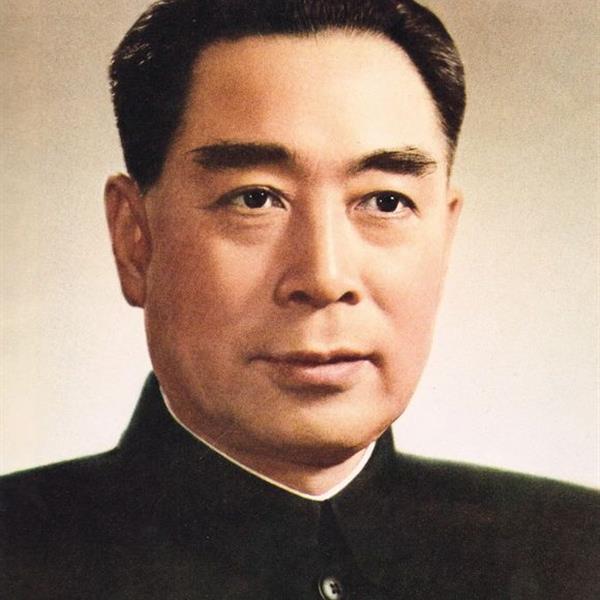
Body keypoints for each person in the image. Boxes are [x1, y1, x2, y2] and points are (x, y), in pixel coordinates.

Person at [1, 1, 598, 598]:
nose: (325, 277)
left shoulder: (578, 553)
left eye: (385, 202)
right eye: (255, 199)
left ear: (444, 238)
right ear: (135, 240)